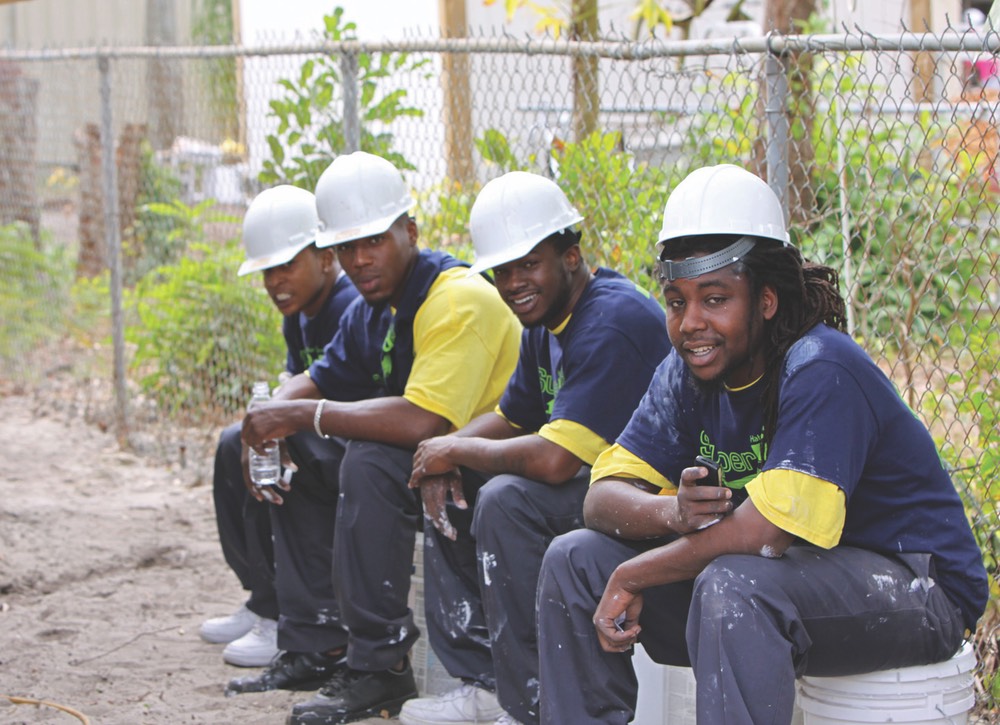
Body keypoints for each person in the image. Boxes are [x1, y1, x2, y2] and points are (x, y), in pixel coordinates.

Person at [535, 164, 989, 724]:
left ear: (766, 300)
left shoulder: (821, 367)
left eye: (716, 299)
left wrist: (634, 573)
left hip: (918, 587)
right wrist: (672, 512)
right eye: (677, 302)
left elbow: (764, 533)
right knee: (575, 558)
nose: (690, 323)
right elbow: (600, 497)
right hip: (794, 580)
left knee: (735, 587)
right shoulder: (686, 375)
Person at [237, 151, 522, 724]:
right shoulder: (376, 308)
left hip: (503, 459)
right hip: (441, 458)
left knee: (368, 459)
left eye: (374, 241)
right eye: (347, 247)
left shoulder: (454, 297)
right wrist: (265, 421)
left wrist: (300, 415)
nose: (360, 259)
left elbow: (423, 421)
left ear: (410, 233)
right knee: (295, 447)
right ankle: (312, 635)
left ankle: (378, 668)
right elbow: (321, 377)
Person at [400, 171, 671, 725]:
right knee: (460, 479)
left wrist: (454, 451)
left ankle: (531, 707)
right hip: (605, 489)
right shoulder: (544, 324)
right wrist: (440, 451)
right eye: (503, 270)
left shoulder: (609, 320)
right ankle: (493, 686)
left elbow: (554, 460)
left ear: (571, 256)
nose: (514, 282)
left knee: (504, 499)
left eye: (529, 264)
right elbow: (509, 417)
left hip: (657, 499)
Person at [199, 184, 358, 668]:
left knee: (288, 457)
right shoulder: (299, 312)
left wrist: (278, 429)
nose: (275, 280)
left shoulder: (349, 305)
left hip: (355, 443)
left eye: (287, 264)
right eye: (268, 270)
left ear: (326, 258)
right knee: (234, 444)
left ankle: (292, 615)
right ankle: (264, 601)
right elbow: (296, 382)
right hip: (318, 430)